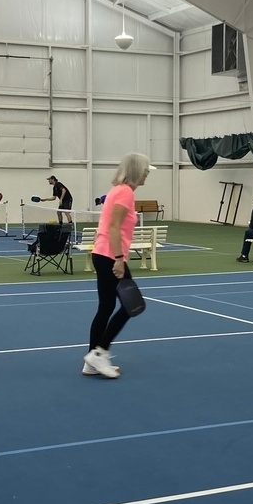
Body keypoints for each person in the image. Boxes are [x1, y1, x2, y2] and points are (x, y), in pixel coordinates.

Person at [83, 153, 152, 379]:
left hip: (103, 253)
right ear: (136, 171)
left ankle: (92, 360)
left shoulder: (117, 191)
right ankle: (99, 352)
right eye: (145, 170)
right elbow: (113, 227)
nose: (147, 174)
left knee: (105, 307)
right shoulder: (125, 192)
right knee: (132, 305)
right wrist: (120, 258)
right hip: (110, 255)